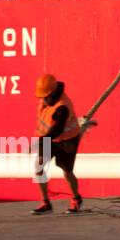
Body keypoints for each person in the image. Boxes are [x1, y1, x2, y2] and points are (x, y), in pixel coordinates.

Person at [31, 73, 84, 214]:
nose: (43, 99)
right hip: (48, 138)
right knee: (39, 166)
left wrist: (40, 141)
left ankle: (76, 198)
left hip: (66, 140)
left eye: (45, 96)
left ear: (53, 93)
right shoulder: (46, 100)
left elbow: (58, 129)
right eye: (41, 96)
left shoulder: (62, 107)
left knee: (67, 171)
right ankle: (46, 203)